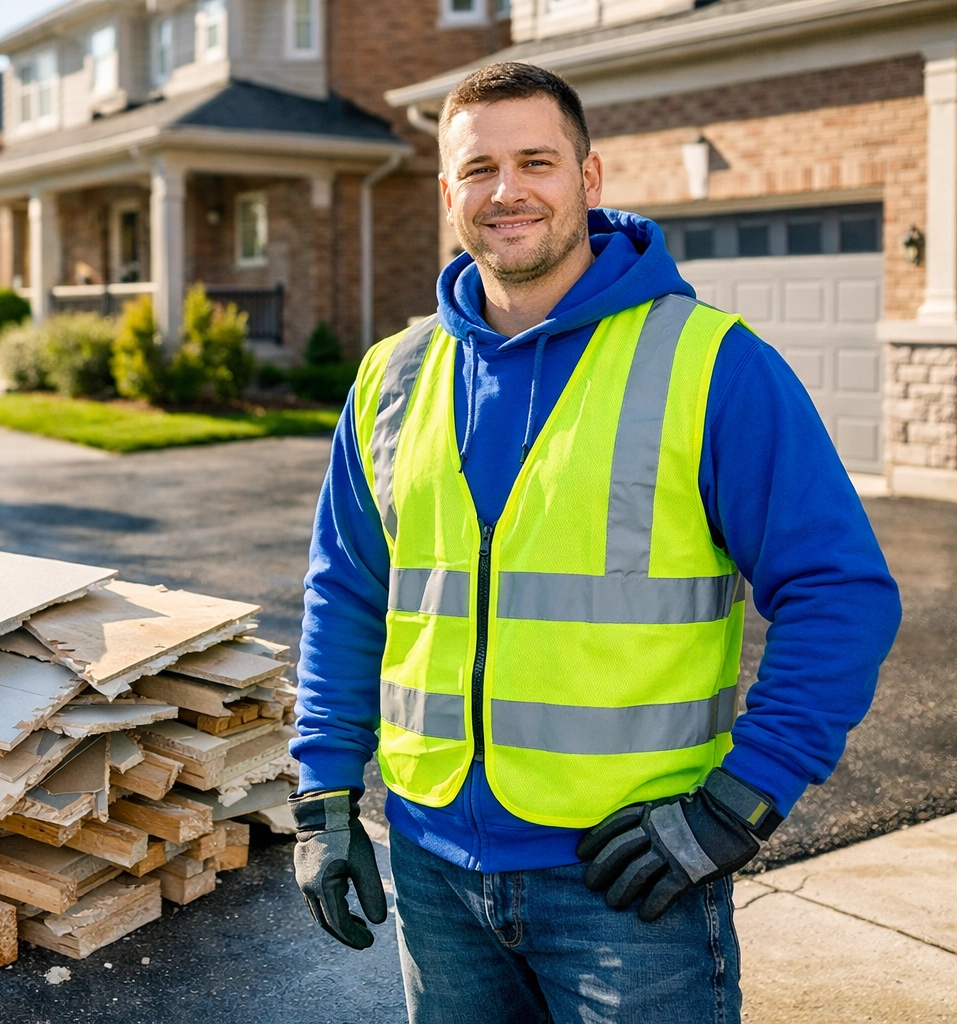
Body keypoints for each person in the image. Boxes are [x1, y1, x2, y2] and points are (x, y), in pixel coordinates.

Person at [288, 61, 902, 1024]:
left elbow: (842, 592)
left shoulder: (712, 363)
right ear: (448, 192)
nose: (508, 190)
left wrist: (744, 798)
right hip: (431, 868)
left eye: (536, 160)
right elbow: (349, 593)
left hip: (627, 880)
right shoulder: (393, 375)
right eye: (479, 168)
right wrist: (324, 793)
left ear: (591, 177)